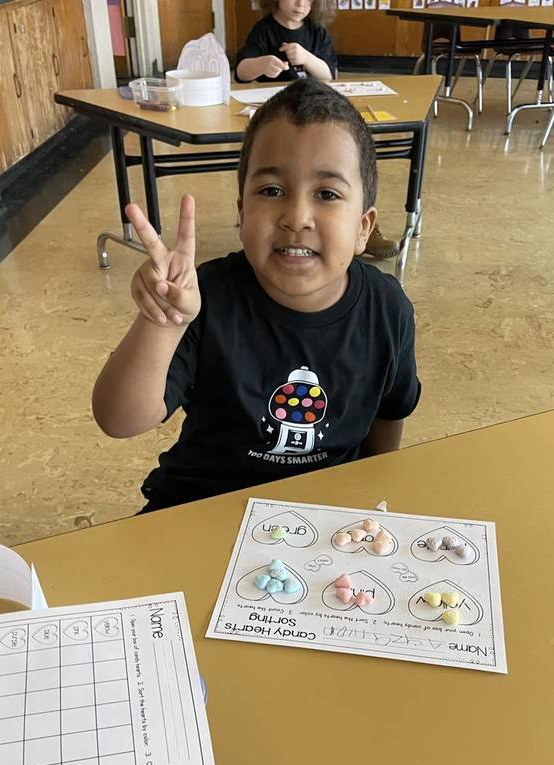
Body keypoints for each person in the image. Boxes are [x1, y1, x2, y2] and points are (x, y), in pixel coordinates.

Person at [92, 80, 420, 513]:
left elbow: (389, 416)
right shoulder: (205, 296)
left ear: (364, 227)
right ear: (242, 214)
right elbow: (118, 419)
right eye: (271, 191)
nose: (296, 217)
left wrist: (370, 503)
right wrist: (160, 323)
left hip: (324, 517)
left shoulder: (387, 308)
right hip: (201, 508)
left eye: (327, 194)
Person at [235, 0, 400, 260]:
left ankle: (357, 227)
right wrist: (262, 65)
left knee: (344, 169)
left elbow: (329, 74)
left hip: (319, 122)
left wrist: (307, 57)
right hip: (279, 124)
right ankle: (266, 210)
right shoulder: (263, 30)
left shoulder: (317, 32)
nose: (301, 3)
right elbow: (242, 70)